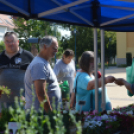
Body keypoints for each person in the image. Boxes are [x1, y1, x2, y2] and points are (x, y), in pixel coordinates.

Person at [24, 36, 62, 113]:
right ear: (45, 47)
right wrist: (50, 114)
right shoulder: (39, 64)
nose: (56, 51)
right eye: (54, 48)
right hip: (41, 114)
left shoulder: (43, 62)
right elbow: (41, 93)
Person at [0, 31, 34, 109]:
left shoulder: (28, 56)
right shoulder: (0, 57)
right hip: (2, 104)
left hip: (23, 103)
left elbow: (36, 76)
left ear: (18, 42)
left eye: (12, 41)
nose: (10, 43)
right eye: (7, 41)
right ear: (4, 43)